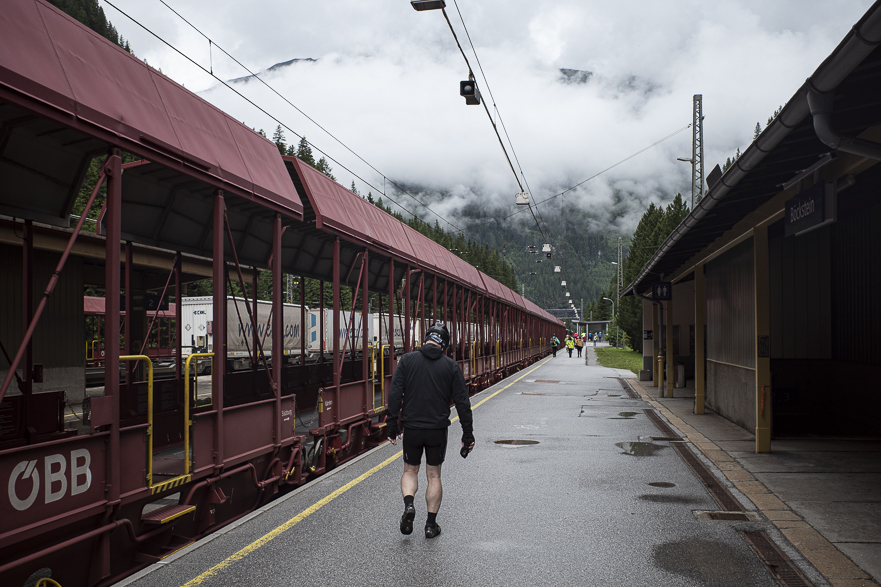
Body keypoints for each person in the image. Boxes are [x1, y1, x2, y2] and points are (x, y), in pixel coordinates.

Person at [387, 322, 474, 539]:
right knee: (433, 475)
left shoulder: (407, 361)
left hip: (412, 428)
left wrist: (391, 425)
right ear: (444, 344)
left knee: (410, 471)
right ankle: (430, 525)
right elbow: (463, 403)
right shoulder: (451, 366)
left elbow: (395, 394)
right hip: (437, 429)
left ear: (426, 338)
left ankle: (409, 505)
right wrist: (467, 434)